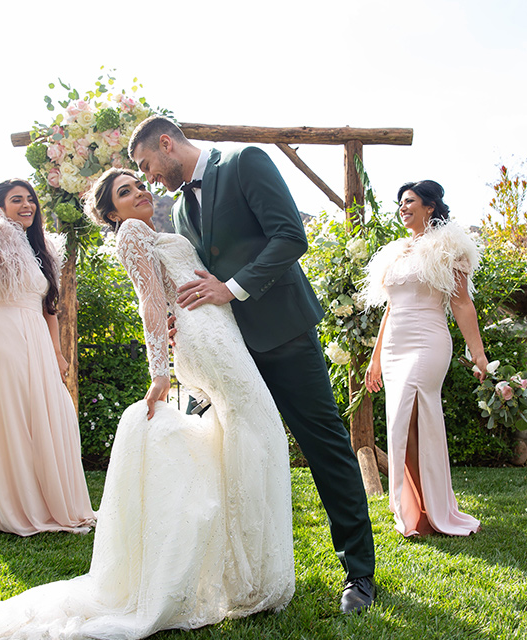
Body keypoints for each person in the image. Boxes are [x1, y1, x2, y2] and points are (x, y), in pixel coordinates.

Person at [0, 168, 294, 639]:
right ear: (112, 212)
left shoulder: (162, 228)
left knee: (248, 435)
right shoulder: (132, 232)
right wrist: (160, 371)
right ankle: (249, 569)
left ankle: (244, 565)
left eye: (139, 185)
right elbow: (150, 303)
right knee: (257, 429)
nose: (140, 193)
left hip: (217, 330)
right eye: (125, 192)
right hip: (204, 339)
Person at [128, 115, 376, 613]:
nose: (148, 178)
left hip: (284, 332)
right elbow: (194, 275)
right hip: (227, 352)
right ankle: (235, 570)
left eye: (146, 165)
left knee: (325, 445)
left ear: (165, 142)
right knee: (219, 452)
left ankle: (360, 575)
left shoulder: (244, 162)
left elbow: (290, 236)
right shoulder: (177, 212)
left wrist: (232, 287)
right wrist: (182, 320)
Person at [0, 178, 95, 537]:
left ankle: (48, 503)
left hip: (39, 342)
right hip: (5, 334)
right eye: (17, 199)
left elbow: (50, 307)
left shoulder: (42, 248)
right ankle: (16, 507)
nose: (26, 205)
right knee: (12, 418)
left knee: (49, 416)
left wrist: (58, 353)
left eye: (30, 199)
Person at [362, 180, 486, 537]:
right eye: (400, 203)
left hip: (428, 341)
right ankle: (417, 509)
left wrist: (478, 354)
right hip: (395, 345)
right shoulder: (396, 251)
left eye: (410, 201)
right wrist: (375, 360)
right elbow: (390, 309)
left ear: (430, 207)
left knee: (415, 413)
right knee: (403, 424)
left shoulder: (449, 247)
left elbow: (462, 303)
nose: (403, 208)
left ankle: (436, 509)